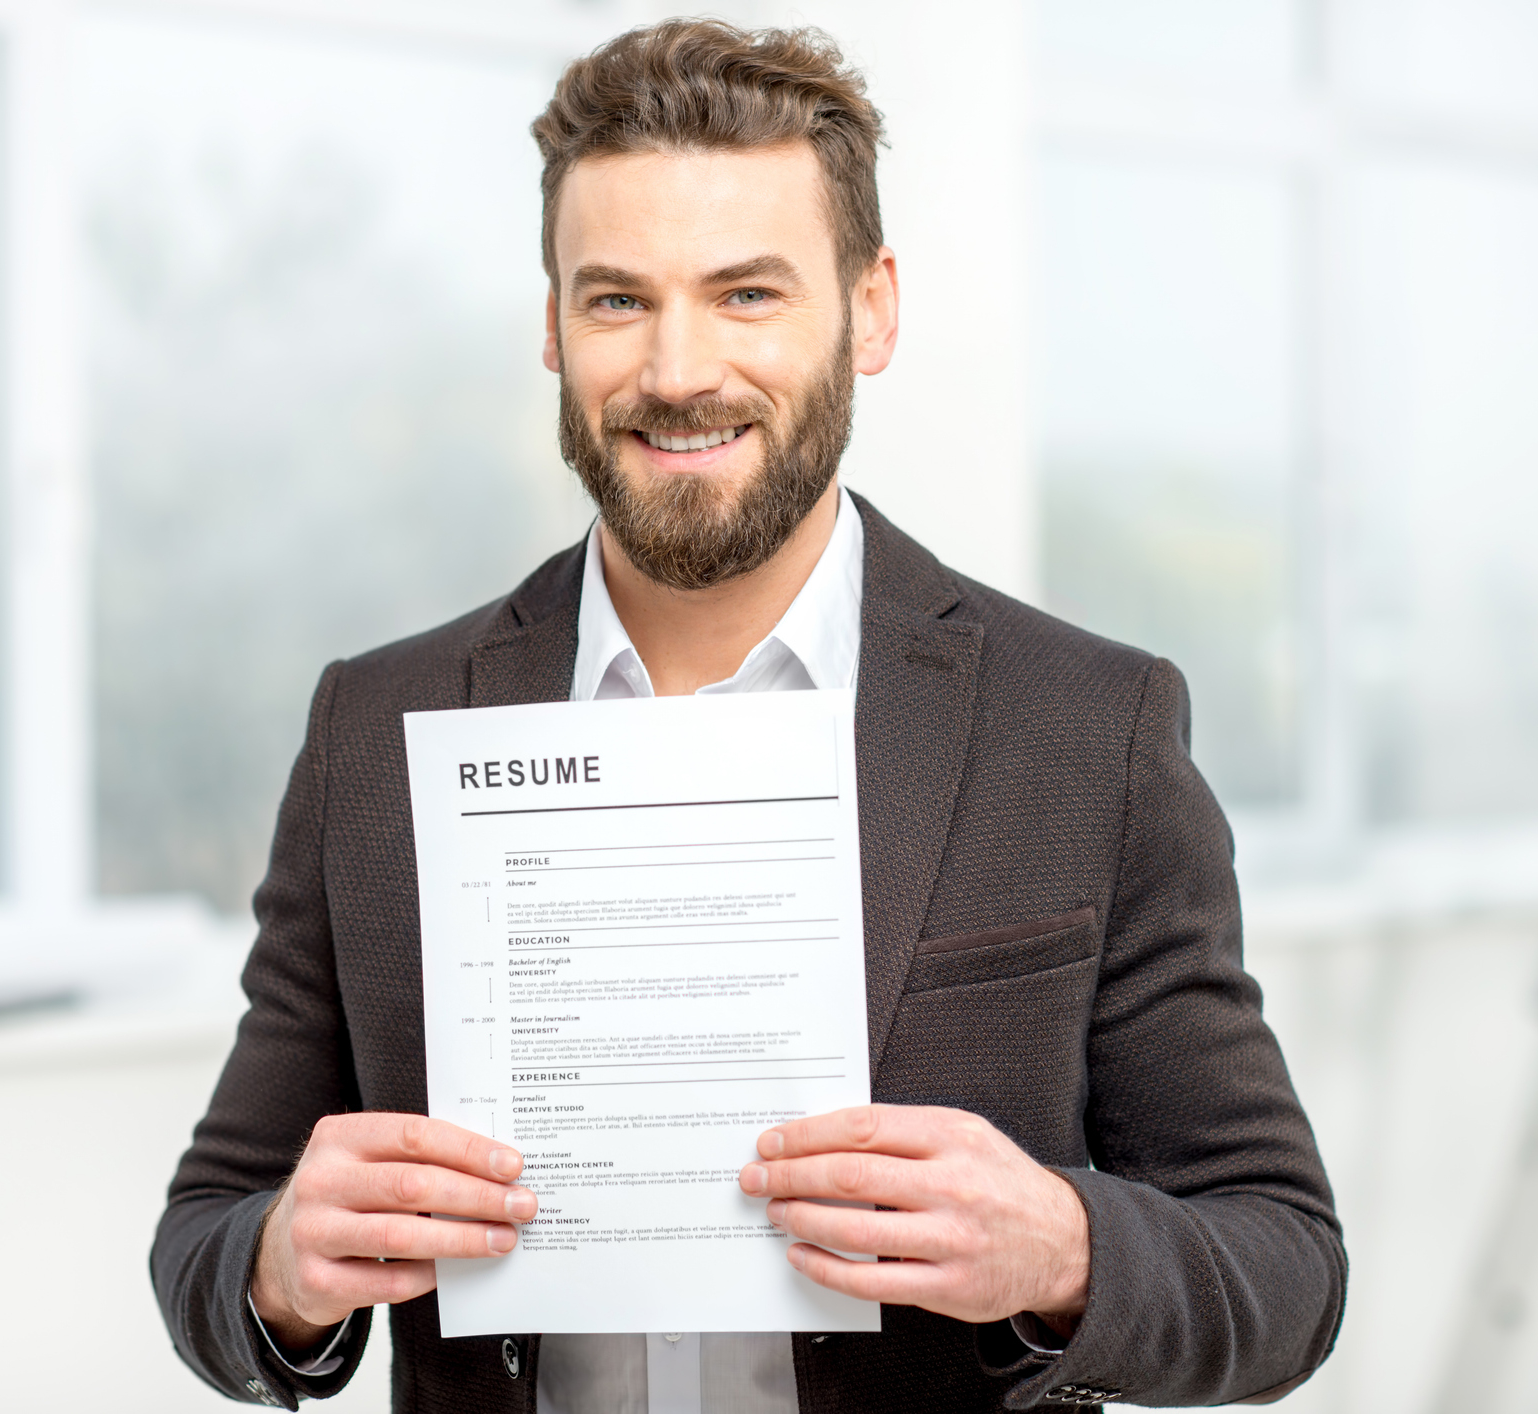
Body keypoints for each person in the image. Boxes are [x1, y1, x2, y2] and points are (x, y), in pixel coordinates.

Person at [152, 19, 1345, 1413]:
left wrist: (1063, 1244)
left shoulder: (1085, 729)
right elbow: (207, 1234)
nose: (676, 369)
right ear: (550, 322)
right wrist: (282, 1267)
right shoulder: (379, 728)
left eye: (746, 294)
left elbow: (1288, 1267)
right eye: (616, 300)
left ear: (872, 308)